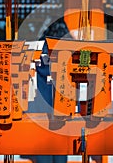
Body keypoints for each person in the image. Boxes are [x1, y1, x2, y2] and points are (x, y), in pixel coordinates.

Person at [22, 17, 72, 163]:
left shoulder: (43, 51)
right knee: (61, 145)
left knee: (44, 144)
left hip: (43, 106)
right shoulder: (69, 51)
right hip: (63, 106)